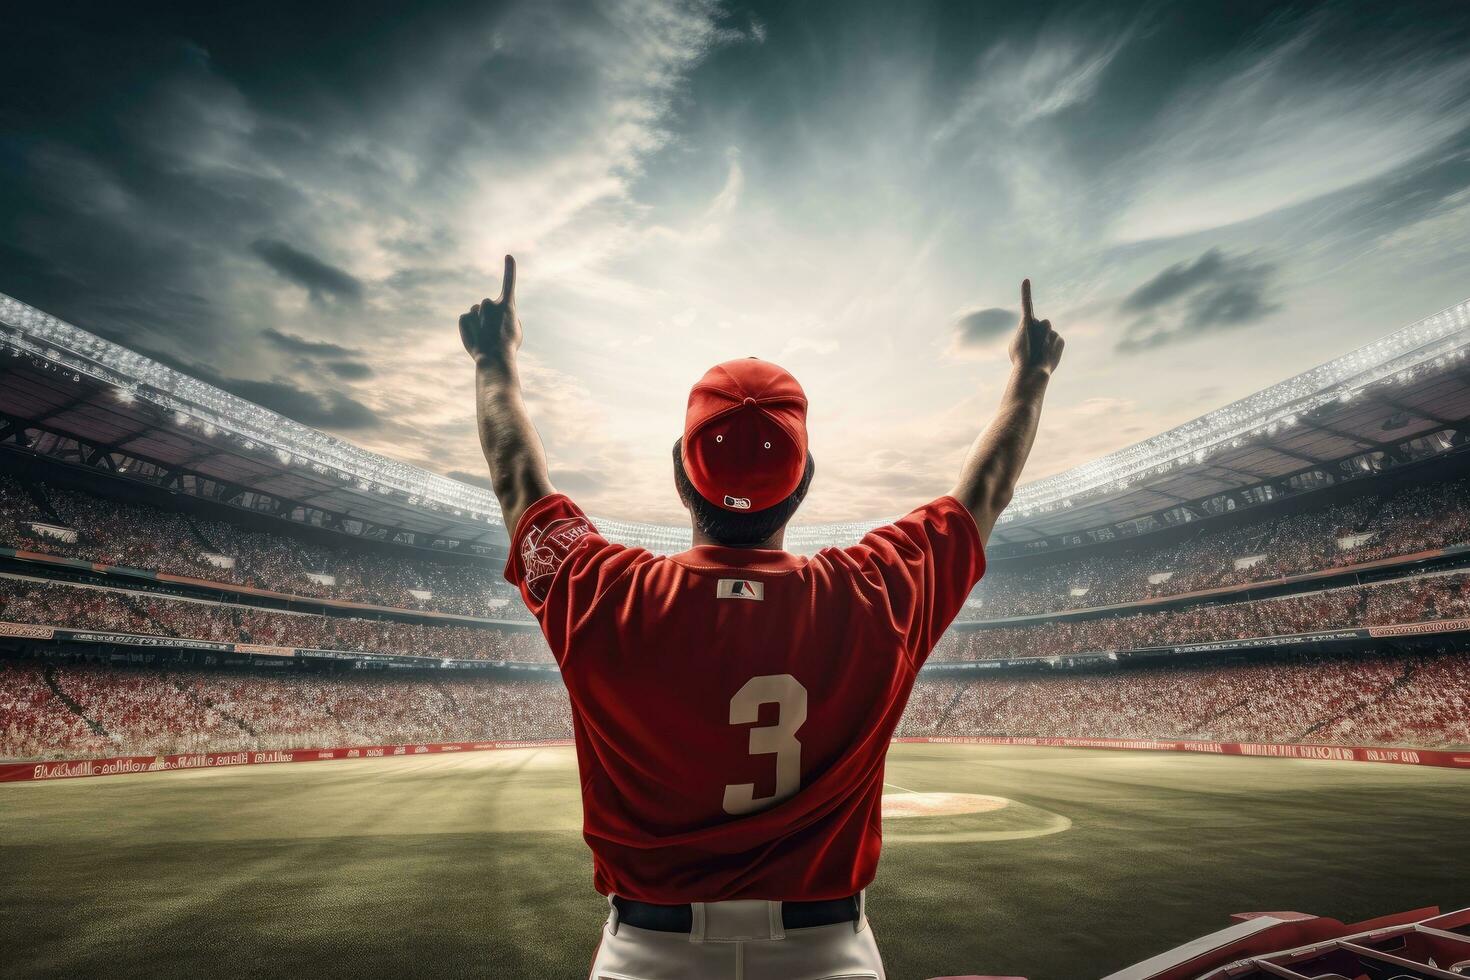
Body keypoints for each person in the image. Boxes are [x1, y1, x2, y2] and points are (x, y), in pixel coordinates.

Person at [460, 255, 1063, 980]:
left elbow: (515, 478)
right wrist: (1031, 376)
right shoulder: (873, 593)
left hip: (646, 954)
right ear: (803, 481)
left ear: (682, 473)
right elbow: (985, 491)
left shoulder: (603, 591)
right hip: (825, 952)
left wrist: (495, 360)